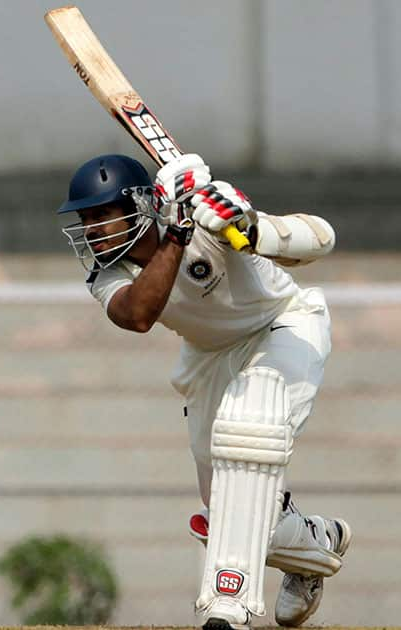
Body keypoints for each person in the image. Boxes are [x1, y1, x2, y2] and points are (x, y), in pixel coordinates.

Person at [57, 153, 351, 630]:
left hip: (284, 324)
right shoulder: (110, 274)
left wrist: (250, 227)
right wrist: (178, 231)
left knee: (249, 430)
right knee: (231, 512)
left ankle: (228, 606)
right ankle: (315, 545)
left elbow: (322, 237)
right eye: (84, 219)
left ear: (137, 206)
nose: (90, 229)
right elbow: (138, 315)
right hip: (211, 356)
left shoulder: (209, 219)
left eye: (99, 216)